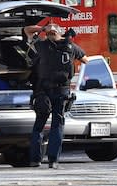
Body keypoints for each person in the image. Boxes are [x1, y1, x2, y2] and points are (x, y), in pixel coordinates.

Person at [24, 23, 88, 169]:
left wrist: (42, 29)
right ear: (59, 32)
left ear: (47, 34)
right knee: (57, 126)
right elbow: (86, 59)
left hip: (43, 92)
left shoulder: (40, 45)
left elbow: (27, 30)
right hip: (62, 91)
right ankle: (53, 161)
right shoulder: (71, 46)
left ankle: (35, 160)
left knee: (39, 126)